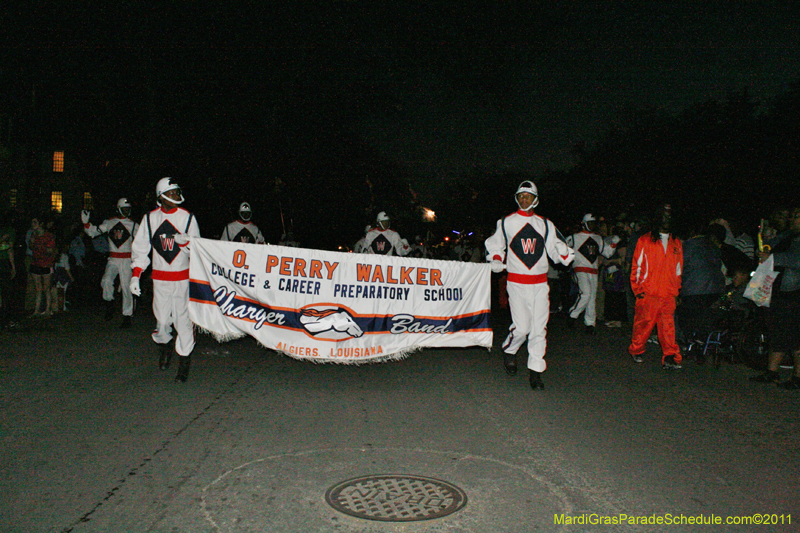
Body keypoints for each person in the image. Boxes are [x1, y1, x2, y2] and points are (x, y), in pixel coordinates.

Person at [485, 180, 575, 390]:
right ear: (517, 198)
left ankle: (535, 371)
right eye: (521, 196)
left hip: (540, 284)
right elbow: (496, 244)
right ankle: (509, 349)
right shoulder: (506, 222)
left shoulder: (545, 224)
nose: (524, 199)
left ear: (535, 200)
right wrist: (497, 259)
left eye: (529, 196)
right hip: (516, 282)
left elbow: (554, 247)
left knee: (538, 329)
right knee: (523, 327)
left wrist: (563, 254)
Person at [130, 178, 200, 383]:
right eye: (173, 192)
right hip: (160, 280)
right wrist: (136, 275)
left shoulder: (187, 217)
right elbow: (141, 248)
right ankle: (166, 346)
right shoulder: (150, 219)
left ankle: (184, 362)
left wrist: (187, 243)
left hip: (182, 279)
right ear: (162, 196)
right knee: (161, 322)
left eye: (178, 192)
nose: (177, 196)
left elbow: (198, 249)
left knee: (183, 321)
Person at [749, 205, 800, 389]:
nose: (792, 219)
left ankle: (797, 376)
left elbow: (796, 260)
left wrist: (771, 257)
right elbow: (770, 249)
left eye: (796, 216)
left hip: (792, 293)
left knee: (793, 335)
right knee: (777, 331)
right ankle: (772, 372)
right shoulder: (787, 236)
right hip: (775, 290)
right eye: (792, 215)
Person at [628, 204, 684, 369]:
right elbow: (636, 267)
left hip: (668, 294)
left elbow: (678, 270)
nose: (667, 219)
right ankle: (636, 349)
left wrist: (676, 292)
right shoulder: (645, 240)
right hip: (649, 293)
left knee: (668, 327)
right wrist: (639, 291)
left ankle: (671, 356)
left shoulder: (676, 243)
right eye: (664, 215)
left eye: (669, 216)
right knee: (643, 325)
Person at [82, 198, 139, 328]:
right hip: (113, 258)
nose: (126, 212)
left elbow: (143, 239)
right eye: (124, 209)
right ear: (118, 209)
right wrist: (86, 224)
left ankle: (127, 316)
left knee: (126, 288)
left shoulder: (134, 225)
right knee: (106, 281)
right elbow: (93, 232)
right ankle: (109, 303)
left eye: (128, 209)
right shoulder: (109, 222)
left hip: (126, 260)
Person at [565, 213, 619, 333]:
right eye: (590, 223)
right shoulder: (574, 237)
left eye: (594, 223)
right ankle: (573, 315)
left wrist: (613, 243)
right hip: (579, 269)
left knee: (592, 297)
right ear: (584, 224)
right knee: (586, 293)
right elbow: (563, 250)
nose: (592, 225)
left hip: (593, 270)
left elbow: (607, 253)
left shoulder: (598, 238)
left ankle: (590, 323)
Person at [29, 217, 57, 317]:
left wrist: (42, 246)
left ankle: (48, 310)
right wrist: (32, 242)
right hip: (35, 263)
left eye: (35, 222)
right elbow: (31, 247)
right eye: (32, 222)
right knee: (38, 288)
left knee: (46, 288)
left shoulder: (48, 236)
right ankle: (36, 311)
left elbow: (50, 251)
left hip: (45, 264)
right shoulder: (34, 235)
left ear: (40, 224)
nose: (33, 224)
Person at [0, 213, 16, 327]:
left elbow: (9, 249)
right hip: (3, 263)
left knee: (5, 292)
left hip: (4, 264)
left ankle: (5, 319)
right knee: (6, 292)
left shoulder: (9, 231)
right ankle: (6, 319)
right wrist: (13, 266)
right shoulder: (9, 231)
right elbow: (9, 249)